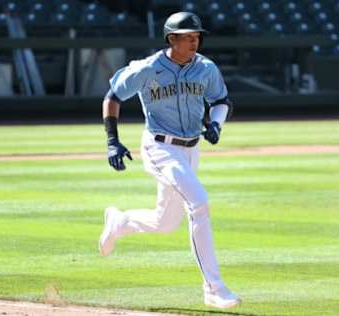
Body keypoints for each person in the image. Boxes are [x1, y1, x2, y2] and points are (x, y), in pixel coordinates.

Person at [98, 11, 240, 309]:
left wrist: (216, 124)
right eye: (187, 37)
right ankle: (213, 287)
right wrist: (112, 140)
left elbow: (221, 101)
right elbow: (112, 97)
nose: (194, 42)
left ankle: (120, 222)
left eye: (197, 36)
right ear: (171, 39)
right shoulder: (148, 68)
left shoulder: (206, 68)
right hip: (160, 147)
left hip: (191, 149)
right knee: (199, 202)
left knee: (165, 222)